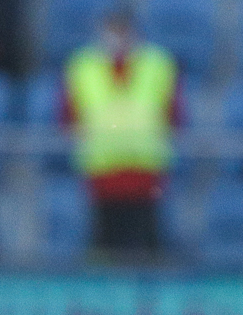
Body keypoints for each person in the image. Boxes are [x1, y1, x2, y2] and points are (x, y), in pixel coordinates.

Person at [62, 5, 181, 260]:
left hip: (146, 172)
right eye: (112, 30)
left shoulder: (158, 65)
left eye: (123, 30)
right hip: (101, 172)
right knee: (103, 248)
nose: (117, 37)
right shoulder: (82, 66)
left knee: (148, 249)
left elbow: (175, 115)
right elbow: (67, 117)